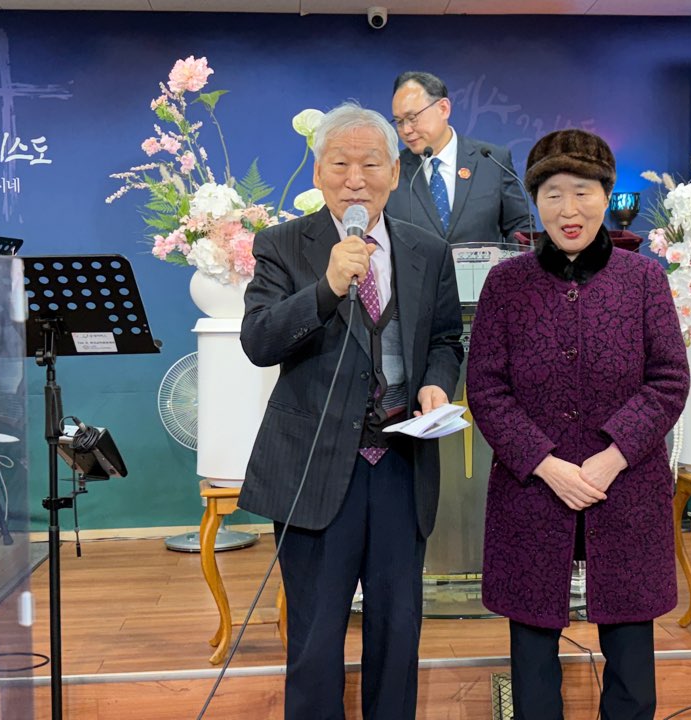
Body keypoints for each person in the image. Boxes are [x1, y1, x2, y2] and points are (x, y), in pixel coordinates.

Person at [238, 102, 464, 720]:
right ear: (318, 173)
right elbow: (258, 341)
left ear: (394, 172)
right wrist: (327, 287)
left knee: (397, 632)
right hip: (313, 471)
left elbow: (446, 340)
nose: (355, 180)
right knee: (314, 639)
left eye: (370, 164)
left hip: (400, 464)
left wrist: (435, 385)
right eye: (340, 164)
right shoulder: (283, 245)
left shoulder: (427, 249)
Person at [466, 129, 690, 720]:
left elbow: (669, 379)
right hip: (532, 488)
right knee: (532, 657)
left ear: (606, 196)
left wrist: (612, 457)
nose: (569, 209)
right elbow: (486, 388)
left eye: (583, 192)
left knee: (632, 659)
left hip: (626, 484)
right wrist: (547, 466)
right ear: (536, 202)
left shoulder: (643, 279)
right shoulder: (505, 284)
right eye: (554, 194)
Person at [384, 71, 531, 244]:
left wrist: (515, 261)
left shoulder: (491, 160)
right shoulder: (392, 170)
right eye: (399, 122)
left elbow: (520, 226)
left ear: (443, 108)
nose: (406, 130)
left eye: (412, 118)